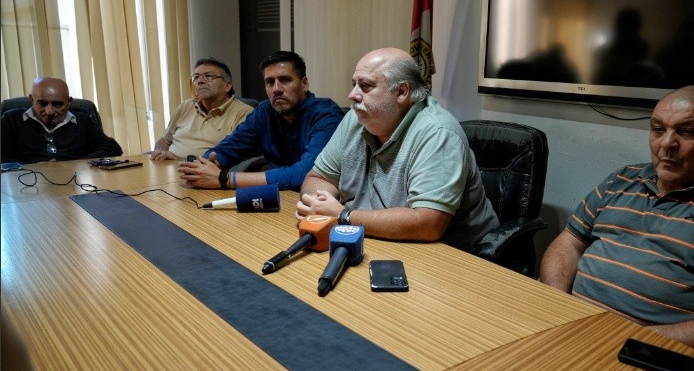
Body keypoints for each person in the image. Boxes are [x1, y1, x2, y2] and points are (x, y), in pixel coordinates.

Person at [539, 85, 694, 370]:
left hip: (652, 355)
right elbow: (569, 242)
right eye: (658, 129)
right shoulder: (623, 179)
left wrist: (624, 340)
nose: (666, 144)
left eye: (687, 132)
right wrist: (557, 305)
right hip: (574, 332)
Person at [295, 47, 499, 251]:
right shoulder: (355, 119)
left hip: (454, 257)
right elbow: (318, 178)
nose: (352, 95)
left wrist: (343, 215)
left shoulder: (438, 132)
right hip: (373, 239)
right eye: (354, 84)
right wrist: (320, 205)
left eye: (365, 86)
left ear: (402, 92)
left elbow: (428, 224)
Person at [177, 51, 343, 190]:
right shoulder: (264, 112)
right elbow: (231, 146)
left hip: (321, 202)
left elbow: (306, 174)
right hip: (277, 196)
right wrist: (208, 164)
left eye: (285, 80)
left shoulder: (326, 114)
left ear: (304, 84)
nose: (276, 89)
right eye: (269, 82)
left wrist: (224, 178)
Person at [150, 58, 253, 161]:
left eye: (208, 76)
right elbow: (165, 139)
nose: (199, 81)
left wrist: (180, 160)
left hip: (203, 173)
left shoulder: (244, 113)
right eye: (196, 77)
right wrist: (160, 153)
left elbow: (233, 154)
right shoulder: (186, 106)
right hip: (167, 168)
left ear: (227, 85)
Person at [1, 77, 122, 164]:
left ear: (69, 102)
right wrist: (27, 168)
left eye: (57, 104)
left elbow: (112, 147)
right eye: (42, 103)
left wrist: (76, 164)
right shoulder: (11, 120)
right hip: (25, 184)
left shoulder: (82, 120)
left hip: (75, 181)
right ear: (32, 99)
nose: (49, 111)